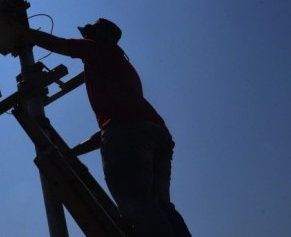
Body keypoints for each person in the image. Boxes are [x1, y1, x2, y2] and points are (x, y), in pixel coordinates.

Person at [18, 18, 191, 237]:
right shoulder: (119, 65)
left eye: (88, 36)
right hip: (157, 134)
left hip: (130, 134)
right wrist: (73, 153)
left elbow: (59, 44)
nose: (85, 39)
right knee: (161, 206)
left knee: (137, 206)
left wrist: (20, 32)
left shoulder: (99, 49)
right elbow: (111, 131)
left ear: (97, 36)